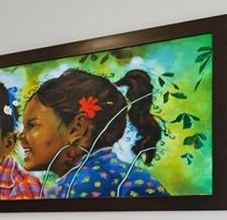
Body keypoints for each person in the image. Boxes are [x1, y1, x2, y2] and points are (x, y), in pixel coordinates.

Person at [17, 68, 168, 198]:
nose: (20, 136)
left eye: (32, 125)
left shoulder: (70, 189)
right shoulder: (135, 176)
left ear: (76, 127)